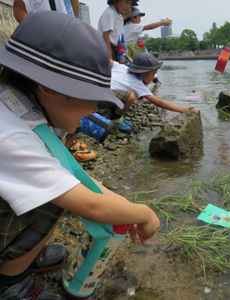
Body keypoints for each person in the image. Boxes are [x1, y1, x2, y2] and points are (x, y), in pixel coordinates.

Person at [0, 11, 159, 299]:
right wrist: (144, 213)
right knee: (55, 198)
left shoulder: (14, 104)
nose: (94, 111)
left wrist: (123, 204)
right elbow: (90, 205)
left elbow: (74, 173)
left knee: (58, 185)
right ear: (48, 87)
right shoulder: (10, 135)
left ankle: (21, 256)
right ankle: (9, 283)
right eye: (91, 98)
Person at [13, 0, 98, 162]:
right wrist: (39, 35)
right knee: (58, 104)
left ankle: (62, 149)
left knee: (71, 110)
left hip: (66, 46)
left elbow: (72, 9)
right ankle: (54, 152)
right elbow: (19, 9)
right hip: (46, 48)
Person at [111, 52, 195, 113]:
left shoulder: (122, 67)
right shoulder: (138, 84)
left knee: (124, 94)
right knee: (130, 97)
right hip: (102, 97)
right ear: (143, 72)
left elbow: (108, 60)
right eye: (153, 74)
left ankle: (114, 108)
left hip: (99, 87)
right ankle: (116, 117)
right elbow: (159, 102)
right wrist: (182, 109)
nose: (154, 77)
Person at [98, 0, 135, 132]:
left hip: (116, 48)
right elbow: (105, 35)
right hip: (107, 48)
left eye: (130, 4)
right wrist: (109, 56)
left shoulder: (118, 15)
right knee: (111, 77)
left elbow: (119, 36)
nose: (128, 7)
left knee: (119, 76)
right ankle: (113, 111)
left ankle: (119, 104)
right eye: (125, 2)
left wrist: (124, 55)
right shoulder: (109, 13)